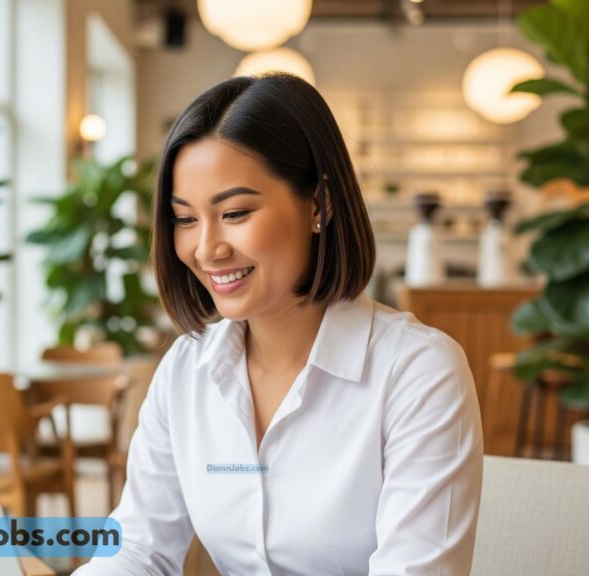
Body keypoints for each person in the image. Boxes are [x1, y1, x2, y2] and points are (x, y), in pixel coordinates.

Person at [75, 73, 483, 575]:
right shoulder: (187, 369)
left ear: (320, 203)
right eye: (185, 219)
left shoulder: (418, 372)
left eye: (236, 212)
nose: (206, 249)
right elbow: (139, 547)